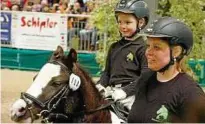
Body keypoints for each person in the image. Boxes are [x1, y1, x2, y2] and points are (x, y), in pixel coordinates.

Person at [128, 16, 205, 123]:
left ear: (176, 51)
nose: (148, 52)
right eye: (148, 46)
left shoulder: (190, 94)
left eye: (156, 47)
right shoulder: (145, 79)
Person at [95, 0, 153, 110]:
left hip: (132, 95)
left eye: (127, 22)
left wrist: (125, 91)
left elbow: (145, 77)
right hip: (112, 92)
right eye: (120, 22)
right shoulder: (114, 47)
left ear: (140, 22)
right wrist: (99, 86)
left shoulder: (144, 48)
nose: (123, 26)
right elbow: (107, 73)